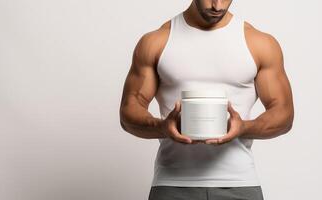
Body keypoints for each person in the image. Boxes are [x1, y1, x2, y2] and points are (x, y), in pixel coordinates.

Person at [119, 0, 294, 199]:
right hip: (172, 183)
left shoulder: (259, 43)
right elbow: (129, 112)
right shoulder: (157, 41)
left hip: (240, 183)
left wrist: (244, 128)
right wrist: (163, 127)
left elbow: (284, 114)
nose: (217, 5)